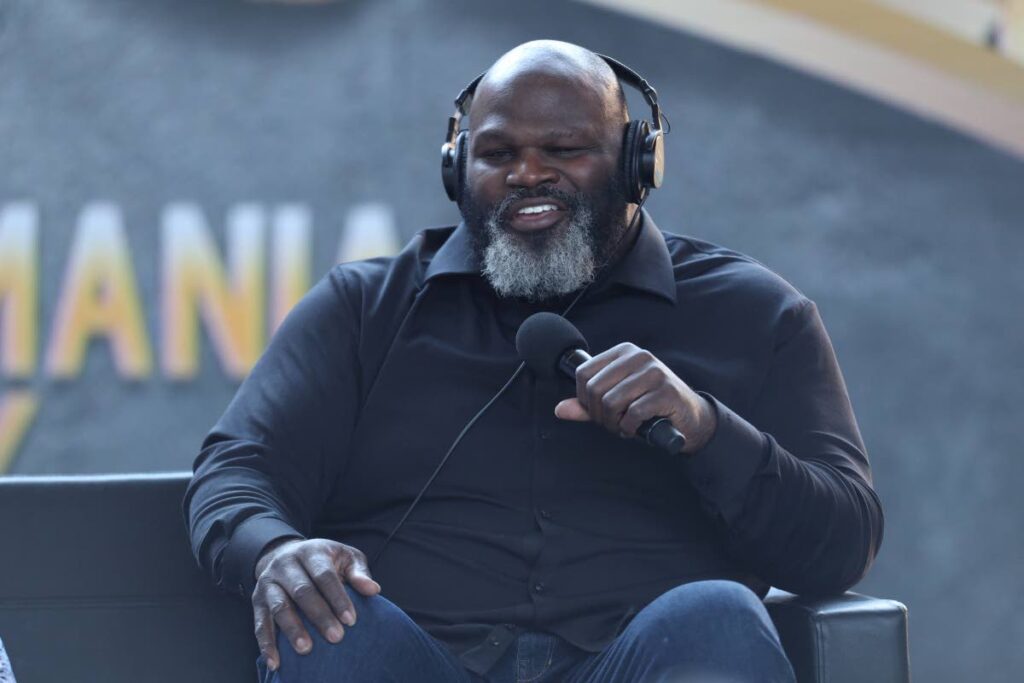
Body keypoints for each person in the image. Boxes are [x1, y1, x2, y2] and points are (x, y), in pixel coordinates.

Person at [183, 40, 883, 683]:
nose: (527, 174)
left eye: (564, 148)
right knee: (329, 631)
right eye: (497, 153)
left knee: (718, 618)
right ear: (457, 169)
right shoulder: (363, 308)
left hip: (641, 660)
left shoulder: (754, 313)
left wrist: (706, 429)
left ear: (639, 162)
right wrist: (275, 552)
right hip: (414, 656)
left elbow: (842, 538)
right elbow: (239, 471)